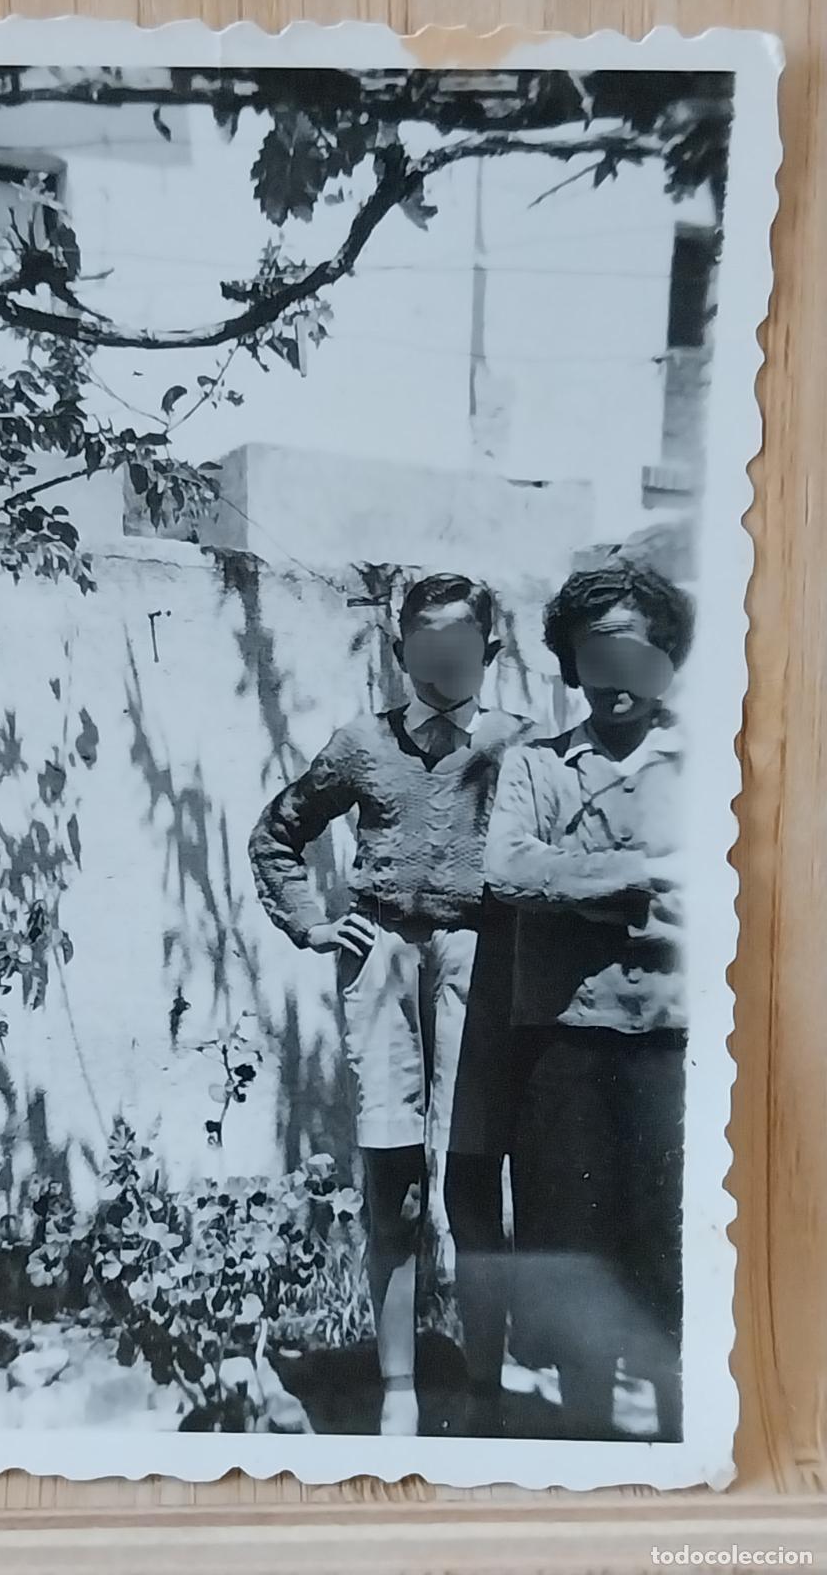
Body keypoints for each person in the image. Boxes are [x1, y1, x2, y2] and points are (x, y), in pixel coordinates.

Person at [248, 572, 532, 1436]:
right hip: (381, 963)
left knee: (478, 1184)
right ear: (402, 651)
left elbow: (546, 856)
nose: (439, 665)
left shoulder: (522, 746)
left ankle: (486, 1388)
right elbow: (278, 835)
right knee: (394, 1185)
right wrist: (313, 925)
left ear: (490, 650)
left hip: (477, 964)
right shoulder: (363, 743)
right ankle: (400, 1390)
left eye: (458, 647)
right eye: (422, 649)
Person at [478, 560, 693, 1441]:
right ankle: (584, 1439)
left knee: (667, 1241)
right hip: (561, 1037)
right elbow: (510, 870)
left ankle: (683, 1436)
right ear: (572, 665)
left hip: (675, 1037)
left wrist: (578, 886)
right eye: (593, 660)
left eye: (635, 658)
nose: (616, 684)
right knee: (571, 1239)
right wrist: (642, 879)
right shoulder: (534, 764)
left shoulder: (713, 762)